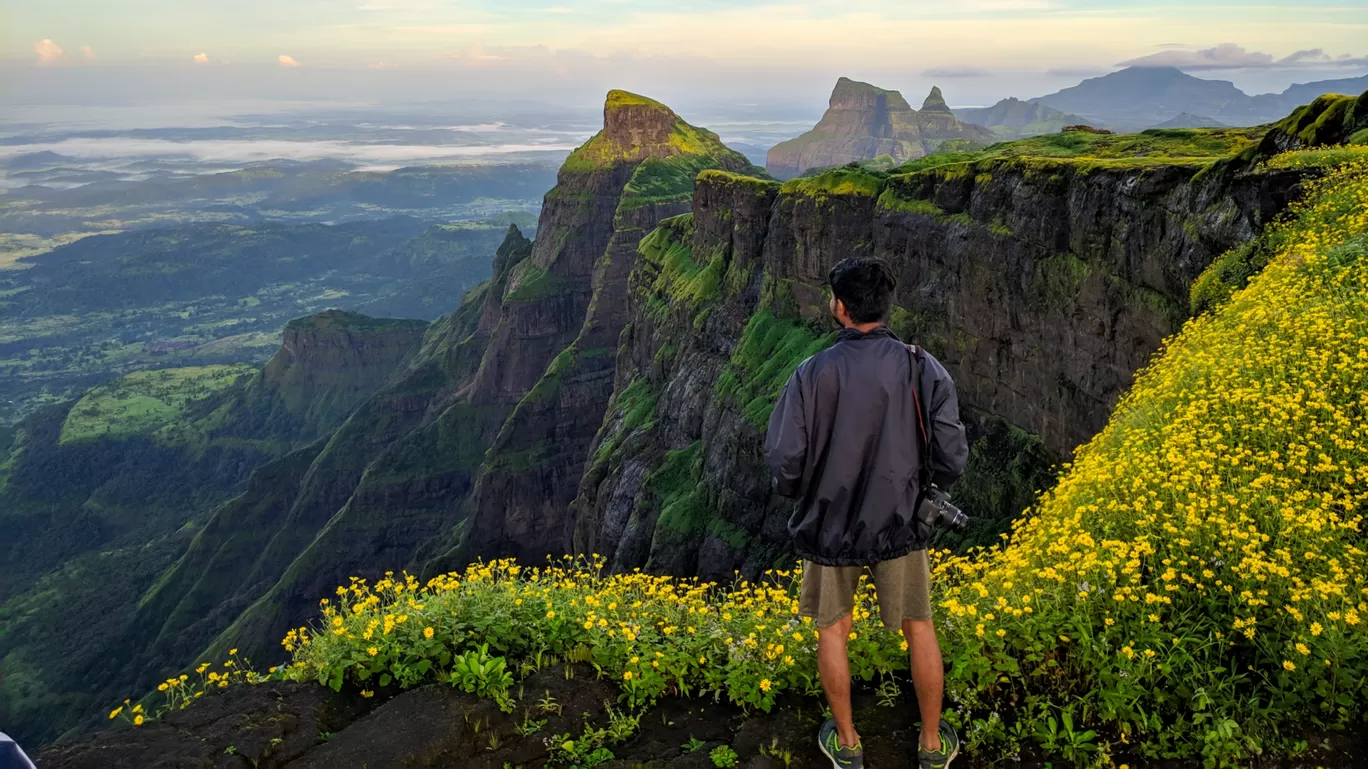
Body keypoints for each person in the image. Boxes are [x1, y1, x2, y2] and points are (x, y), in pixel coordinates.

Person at [764, 257, 969, 769]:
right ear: (886, 304)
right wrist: (925, 488)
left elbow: (786, 461)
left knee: (833, 629)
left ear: (839, 307)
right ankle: (929, 744)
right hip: (902, 523)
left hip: (830, 525)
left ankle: (850, 744)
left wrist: (803, 490)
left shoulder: (810, 374)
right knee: (919, 625)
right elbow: (952, 454)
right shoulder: (923, 366)